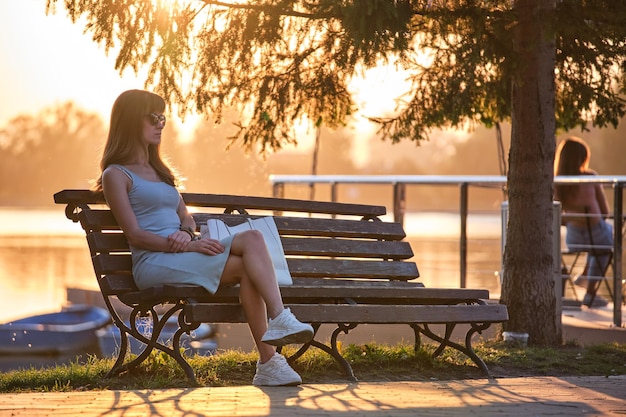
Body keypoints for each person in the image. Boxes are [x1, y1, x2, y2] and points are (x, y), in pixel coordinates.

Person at [94, 89, 314, 386]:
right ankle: (276, 331)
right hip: (154, 263)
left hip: (184, 252)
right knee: (251, 245)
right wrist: (189, 244)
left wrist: (186, 234)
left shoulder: (161, 172)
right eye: (153, 117)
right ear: (131, 121)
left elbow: (186, 216)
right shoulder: (116, 175)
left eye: (163, 117)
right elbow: (134, 234)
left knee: (253, 242)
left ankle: (270, 361)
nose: (161, 123)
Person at [554, 136, 613, 307]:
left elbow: (558, 217)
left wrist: (573, 216)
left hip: (573, 239)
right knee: (607, 246)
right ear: (582, 158)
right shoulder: (590, 178)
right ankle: (590, 292)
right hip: (596, 235)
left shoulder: (557, 182)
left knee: (599, 244)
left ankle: (586, 275)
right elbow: (605, 212)